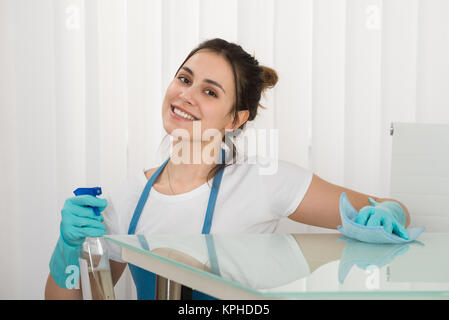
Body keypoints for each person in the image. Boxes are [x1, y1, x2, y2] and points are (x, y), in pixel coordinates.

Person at [45, 38, 411, 300]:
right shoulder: (127, 198)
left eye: (210, 91)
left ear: (236, 119)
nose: (186, 95)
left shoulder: (265, 181)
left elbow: (392, 209)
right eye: (184, 79)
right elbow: (79, 296)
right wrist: (67, 249)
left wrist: (385, 213)